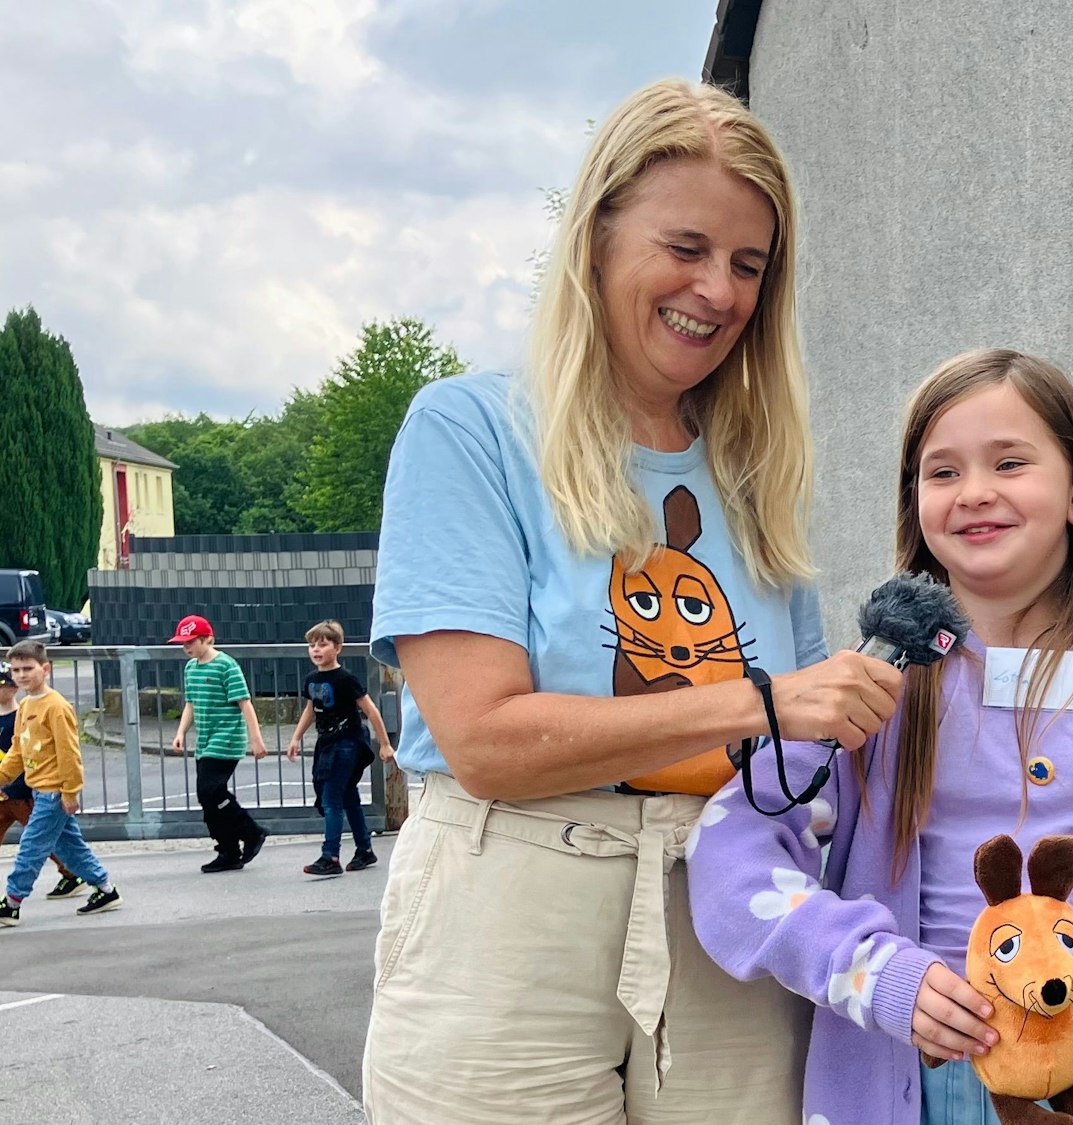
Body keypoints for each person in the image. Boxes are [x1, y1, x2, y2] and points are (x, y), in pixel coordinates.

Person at [361, 77, 904, 1124]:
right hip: (509, 917)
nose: (718, 290)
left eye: (749, 265)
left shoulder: (751, 476)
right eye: (686, 247)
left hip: (726, 905)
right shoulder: (471, 432)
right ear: (598, 235)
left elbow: (799, 763)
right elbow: (484, 741)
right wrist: (762, 702)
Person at [687, 349, 1073, 1125]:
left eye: (1010, 461)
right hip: (915, 1076)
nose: (976, 493)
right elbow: (733, 855)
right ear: (915, 501)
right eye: (943, 472)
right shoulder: (871, 684)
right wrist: (875, 973)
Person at [0, 641, 122, 926]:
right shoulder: (27, 706)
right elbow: (18, 750)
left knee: (31, 846)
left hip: (54, 792)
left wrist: (70, 792)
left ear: (45, 669)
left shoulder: (56, 707)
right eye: (16, 670)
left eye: (28, 668)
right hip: (39, 788)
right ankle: (106, 890)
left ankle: (12, 902)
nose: (21, 675)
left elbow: (69, 754)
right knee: (69, 848)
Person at [285, 620, 394, 877]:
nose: (316, 650)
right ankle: (365, 849)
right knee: (348, 797)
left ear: (338, 648)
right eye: (312, 645)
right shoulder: (312, 679)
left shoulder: (345, 679)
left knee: (331, 798)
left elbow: (370, 710)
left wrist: (385, 744)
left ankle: (330, 855)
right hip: (327, 743)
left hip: (347, 743)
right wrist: (296, 737)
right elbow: (311, 709)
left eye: (322, 644)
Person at [170, 613, 272, 873]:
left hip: (226, 738)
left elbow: (245, 703)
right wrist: (181, 731)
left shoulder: (226, 665)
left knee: (212, 790)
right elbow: (190, 704)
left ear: (208, 639)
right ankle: (228, 849)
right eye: (183, 643)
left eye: (191, 642)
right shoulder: (191, 668)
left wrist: (256, 738)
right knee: (207, 796)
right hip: (204, 739)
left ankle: (250, 831)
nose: (187, 647)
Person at [0, 665, 82, 897]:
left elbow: (24, 754)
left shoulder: (24, 713)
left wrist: (68, 791)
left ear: (13, 687)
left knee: (43, 842)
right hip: (4, 790)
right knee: (41, 840)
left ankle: (71, 873)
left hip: (24, 793)